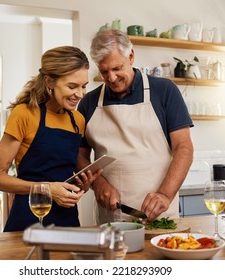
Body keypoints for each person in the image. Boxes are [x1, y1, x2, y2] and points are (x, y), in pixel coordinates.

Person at [77, 29, 194, 224]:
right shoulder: (88, 102)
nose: (112, 78)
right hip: (111, 218)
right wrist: (97, 184)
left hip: (160, 216)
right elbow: (79, 156)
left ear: (131, 56)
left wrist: (165, 194)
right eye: (104, 71)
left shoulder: (165, 91)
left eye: (117, 68)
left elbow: (184, 147)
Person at [0, 46, 101, 232]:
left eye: (83, 86)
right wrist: (48, 189)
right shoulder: (24, 114)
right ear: (49, 82)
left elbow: (62, 173)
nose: (80, 94)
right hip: (29, 217)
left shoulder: (77, 120)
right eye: (72, 86)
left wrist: (82, 185)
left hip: (68, 220)